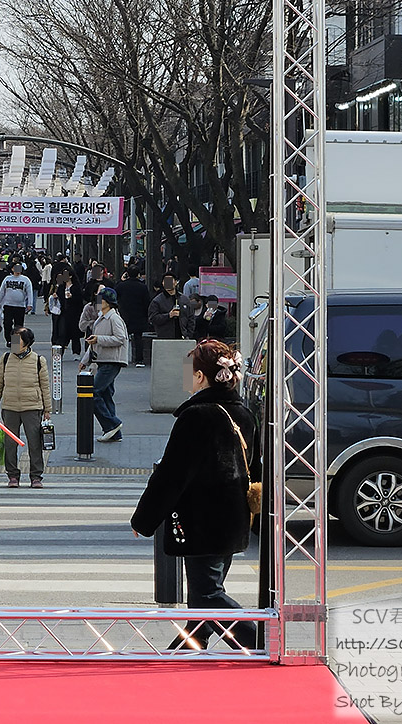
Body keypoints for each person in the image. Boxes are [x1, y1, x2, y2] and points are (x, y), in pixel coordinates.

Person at [130, 340, 258, 651]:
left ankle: (260, 641)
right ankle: (188, 648)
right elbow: (255, 464)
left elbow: (171, 475)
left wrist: (143, 520)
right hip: (233, 517)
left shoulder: (197, 416)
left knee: (208, 594)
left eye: (189, 370)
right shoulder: (243, 413)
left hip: (202, 520)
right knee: (204, 595)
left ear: (201, 376)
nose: (185, 376)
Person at [0, 327, 52, 489]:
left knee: (34, 443)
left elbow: (45, 386)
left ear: (27, 342)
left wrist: (47, 409)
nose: (14, 343)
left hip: (32, 407)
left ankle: (36, 476)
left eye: (18, 339)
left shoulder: (38, 360)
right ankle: (12, 475)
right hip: (10, 407)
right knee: (10, 443)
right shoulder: (5, 359)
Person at [80, 287, 129, 443]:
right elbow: (94, 342)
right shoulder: (101, 318)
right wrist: (85, 360)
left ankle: (112, 424)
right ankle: (114, 433)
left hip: (112, 360)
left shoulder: (114, 318)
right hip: (103, 360)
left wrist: (99, 339)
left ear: (108, 302)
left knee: (93, 392)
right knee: (106, 395)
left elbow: (120, 338)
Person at [116, 268, 151, 367]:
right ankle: (139, 360)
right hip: (139, 315)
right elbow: (147, 302)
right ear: (138, 275)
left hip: (124, 314)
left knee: (123, 337)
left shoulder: (121, 286)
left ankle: (122, 359)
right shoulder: (143, 287)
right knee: (138, 338)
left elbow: (115, 295)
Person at [0, 263, 34, 349]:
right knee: (7, 323)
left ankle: (15, 342)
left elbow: (29, 292)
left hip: (20, 306)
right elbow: (1, 292)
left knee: (18, 326)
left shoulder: (25, 280)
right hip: (8, 305)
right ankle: (9, 340)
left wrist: (30, 304)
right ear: (12, 269)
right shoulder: (7, 279)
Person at [148, 275, 183, 341]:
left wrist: (188, 333)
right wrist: (168, 315)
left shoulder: (183, 299)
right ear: (163, 283)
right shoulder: (157, 301)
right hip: (165, 336)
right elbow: (153, 318)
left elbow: (190, 316)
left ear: (176, 282)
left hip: (183, 336)